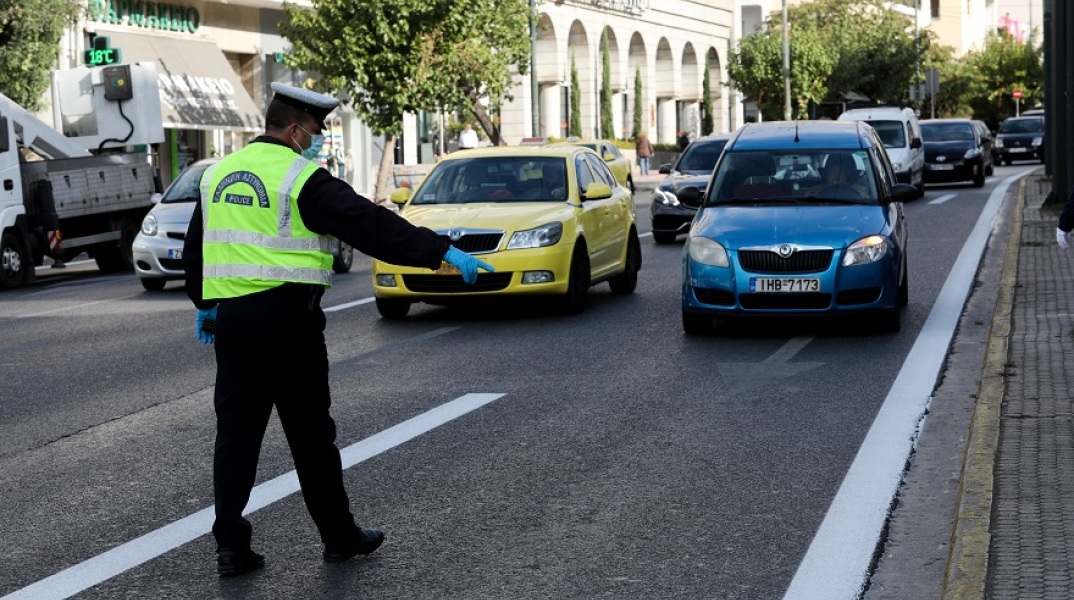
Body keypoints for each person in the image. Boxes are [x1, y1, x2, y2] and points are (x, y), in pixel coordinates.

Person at [182, 82, 493, 577]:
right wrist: (439, 252)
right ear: (293, 130)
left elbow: (197, 246)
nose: (319, 140)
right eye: (315, 131)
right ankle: (339, 536)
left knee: (235, 438)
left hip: (235, 326)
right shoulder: (299, 177)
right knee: (310, 435)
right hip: (289, 322)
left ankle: (231, 548)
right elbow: (369, 223)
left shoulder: (217, 173)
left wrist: (206, 304)